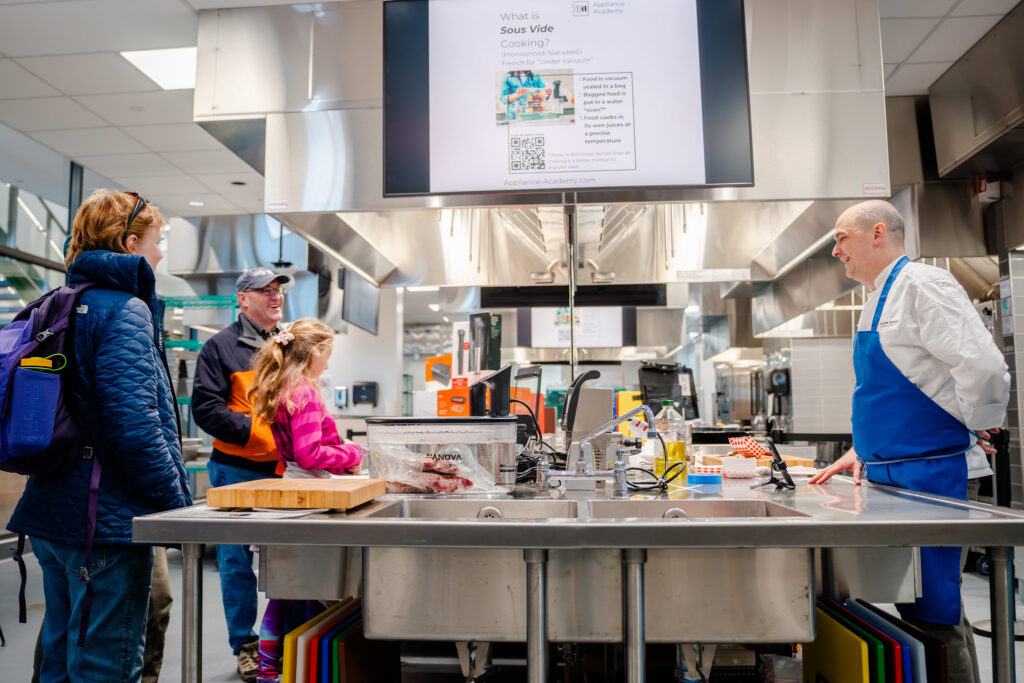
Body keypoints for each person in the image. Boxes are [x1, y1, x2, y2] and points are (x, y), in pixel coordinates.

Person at [809, 199, 1009, 683]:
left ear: (878, 233)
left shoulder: (923, 285)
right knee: (925, 609)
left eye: (841, 238)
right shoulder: (877, 296)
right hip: (900, 477)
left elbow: (983, 368)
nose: (836, 250)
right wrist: (865, 450)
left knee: (934, 614)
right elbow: (906, 387)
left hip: (936, 475)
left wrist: (978, 419)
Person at [7, 189, 192, 682]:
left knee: (60, 662)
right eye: (157, 242)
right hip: (103, 523)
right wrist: (180, 507)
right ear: (131, 243)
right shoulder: (124, 310)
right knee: (104, 668)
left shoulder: (54, 302)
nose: (159, 254)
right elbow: (134, 429)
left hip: (51, 513)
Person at [246, 319, 363, 682]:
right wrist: (353, 453)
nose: (327, 364)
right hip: (311, 497)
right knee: (302, 589)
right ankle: (274, 670)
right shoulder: (305, 394)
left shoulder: (284, 388)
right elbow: (311, 455)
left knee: (294, 589)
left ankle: (290, 667)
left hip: (293, 489)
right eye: (326, 356)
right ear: (313, 353)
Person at [192, 266, 293, 681]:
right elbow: (206, 410)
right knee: (235, 562)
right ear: (242, 299)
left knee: (289, 554)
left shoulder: (290, 345)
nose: (274, 297)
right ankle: (245, 644)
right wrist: (260, 432)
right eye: (263, 291)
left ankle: (285, 637)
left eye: (277, 290)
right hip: (236, 470)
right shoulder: (219, 348)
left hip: (285, 471)